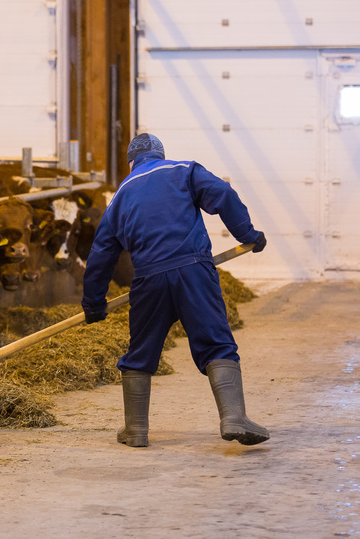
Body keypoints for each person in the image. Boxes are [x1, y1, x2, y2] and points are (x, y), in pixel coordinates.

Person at [81, 133, 269, 447]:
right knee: (216, 345)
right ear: (161, 154)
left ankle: (136, 430)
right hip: (193, 270)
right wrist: (247, 234)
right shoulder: (184, 170)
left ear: (131, 163)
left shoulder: (120, 196)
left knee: (140, 353)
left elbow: (101, 255)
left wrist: (94, 305)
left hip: (148, 280)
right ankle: (233, 416)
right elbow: (222, 193)